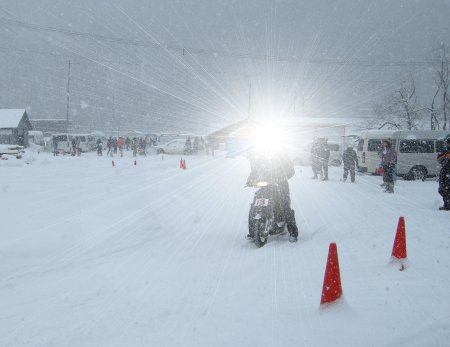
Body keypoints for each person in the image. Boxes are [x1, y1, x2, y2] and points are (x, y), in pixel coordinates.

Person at [246, 150, 299, 243]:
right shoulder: (261, 157)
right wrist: (250, 180)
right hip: (266, 184)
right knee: (254, 205)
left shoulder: (282, 155)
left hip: (280, 184)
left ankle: (293, 233)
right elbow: (255, 170)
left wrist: (281, 177)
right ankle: (252, 232)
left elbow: (291, 170)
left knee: (285, 206)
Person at [437, 136, 450, 210]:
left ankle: (447, 205)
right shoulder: (445, 151)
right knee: (442, 189)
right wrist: (445, 156)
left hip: (447, 173)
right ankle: (447, 204)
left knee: (446, 189)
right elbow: (439, 159)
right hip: (445, 172)